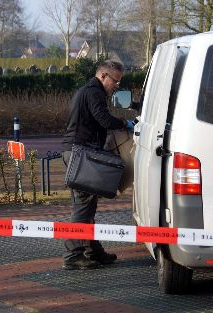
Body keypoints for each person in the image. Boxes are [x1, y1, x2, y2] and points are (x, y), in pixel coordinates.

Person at [61, 60, 133, 270]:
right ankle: (73, 256)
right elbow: (103, 119)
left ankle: (93, 251)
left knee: (88, 206)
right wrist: (125, 123)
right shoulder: (94, 92)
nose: (116, 87)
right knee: (83, 208)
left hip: (77, 152)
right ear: (103, 76)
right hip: (81, 154)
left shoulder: (87, 91)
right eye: (115, 81)